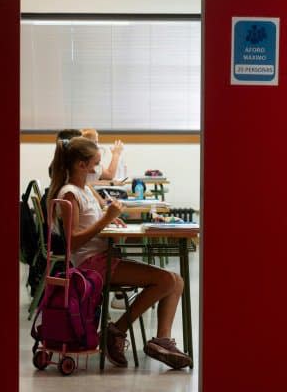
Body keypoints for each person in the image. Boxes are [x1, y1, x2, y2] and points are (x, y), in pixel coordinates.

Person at [47, 136, 192, 370]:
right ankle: (116, 331)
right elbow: (72, 242)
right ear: (80, 165)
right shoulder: (69, 194)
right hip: (90, 265)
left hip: (105, 257)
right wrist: (106, 219)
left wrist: (112, 221)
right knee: (166, 279)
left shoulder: (87, 190)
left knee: (177, 281)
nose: (99, 170)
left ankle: (161, 341)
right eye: (95, 164)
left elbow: (98, 222)